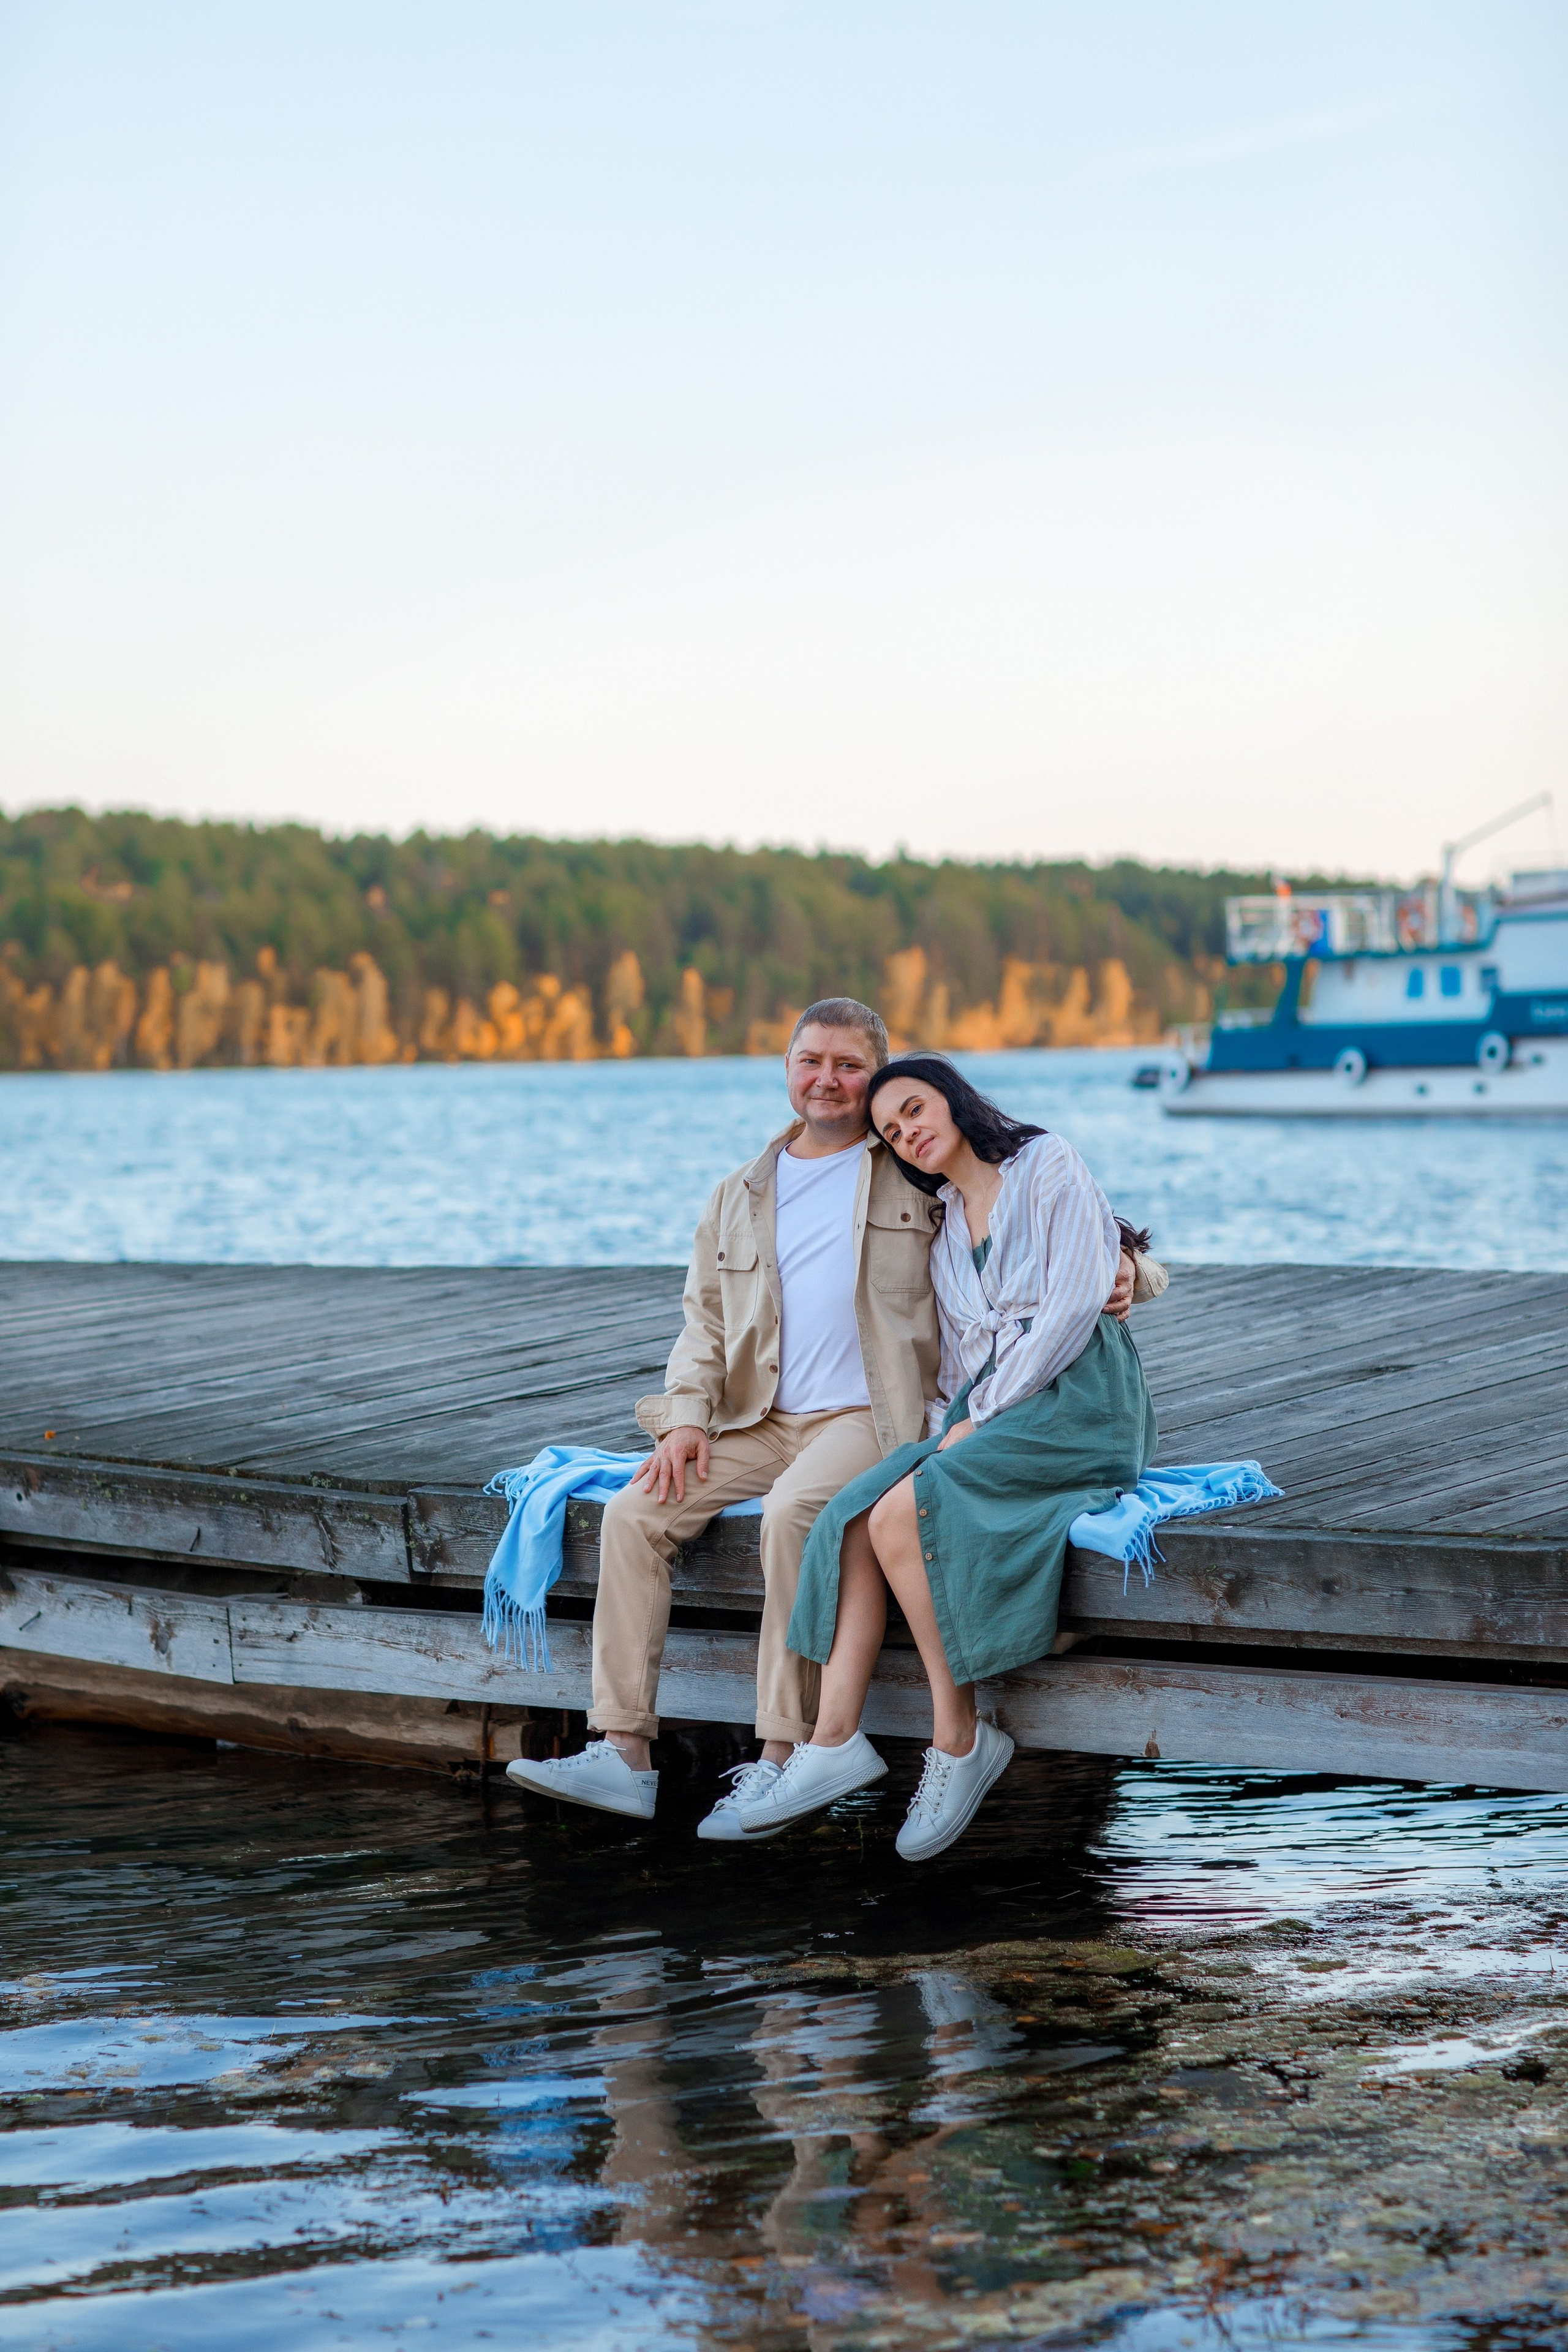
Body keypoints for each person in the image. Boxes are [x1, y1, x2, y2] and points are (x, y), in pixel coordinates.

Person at [508, 1005, 1156, 1836]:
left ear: (883, 1077)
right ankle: (623, 1753)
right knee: (633, 1513)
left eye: (850, 1066)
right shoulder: (739, 1192)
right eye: (810, 1060)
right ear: (787, 1068)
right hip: (755, 1416)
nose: (827, 1079)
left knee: (795, 1515)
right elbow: (703, 1327)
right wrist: (682, 1422)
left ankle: (780, 1756)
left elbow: (1044, 1224)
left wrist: (1130, 1265)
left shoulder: (911, 1170)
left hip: (866, 1414)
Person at [734, 1054, 1161, 1862]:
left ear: (957, 1101)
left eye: (917, 1110)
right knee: (858, 1510)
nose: (909, 1132)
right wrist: (943, 1433)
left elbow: (1072, 1309)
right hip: (993, 1410)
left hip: (1081, 1401)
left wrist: (982, 1420)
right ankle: (831, 1741)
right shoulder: (941, 1227)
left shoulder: (1045, 1163)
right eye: (893, 1130)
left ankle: (959, 1742)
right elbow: (962, 1366)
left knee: (906, 1509)